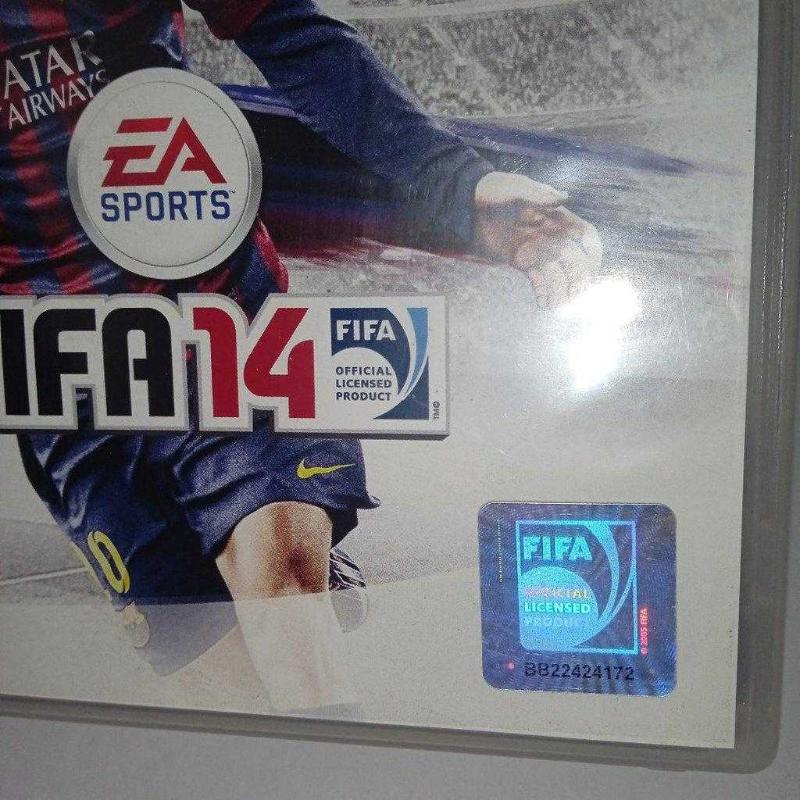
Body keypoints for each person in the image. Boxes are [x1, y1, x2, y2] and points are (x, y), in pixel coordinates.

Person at [0, 0, 601, 711]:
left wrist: (458, 181)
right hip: (65, 376)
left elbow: (287, 28)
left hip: (220, 318)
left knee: (282, 591)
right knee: (229, 694)